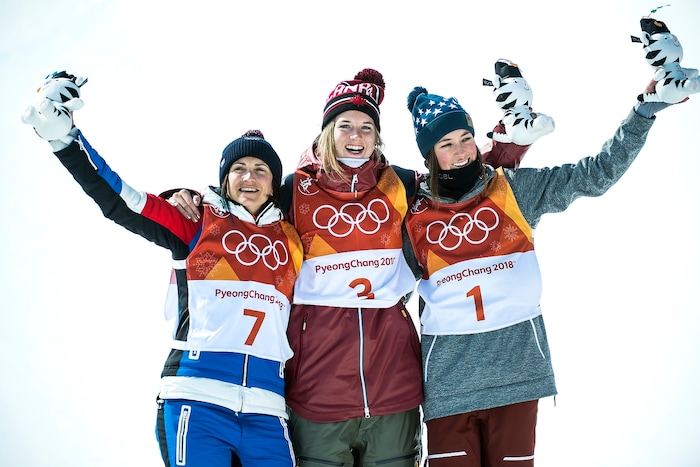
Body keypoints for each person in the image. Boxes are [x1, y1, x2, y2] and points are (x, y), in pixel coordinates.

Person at [168, 68, 530, 467]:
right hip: (317, 391)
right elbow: (240, 204)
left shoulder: (404, 185)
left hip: (395, 386)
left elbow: (465, 181)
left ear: (377, 137)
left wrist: (511, 144)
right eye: (345, 126)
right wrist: (186, 198)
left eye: (366, 127)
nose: (356, 137)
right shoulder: (292, 190)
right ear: (327, 131)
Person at [22, 72, 304, 467]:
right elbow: (124, 200)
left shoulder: (294, 240)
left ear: (276, 183)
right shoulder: (198, 222)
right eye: (238, 168)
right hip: (197, 398)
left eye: (261, 169)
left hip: (268, 409)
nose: (249, 177)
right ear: (224, 179)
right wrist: (65, 140)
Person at [402, 81, 683, 466]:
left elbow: (595, 174)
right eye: (446, 144)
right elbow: (386, 295)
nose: (461, 151)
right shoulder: (414, 217)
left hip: (518, 376)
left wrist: (643, 113)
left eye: (466, 137)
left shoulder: (513, 191)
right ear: (430, 155)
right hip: (449, 388)